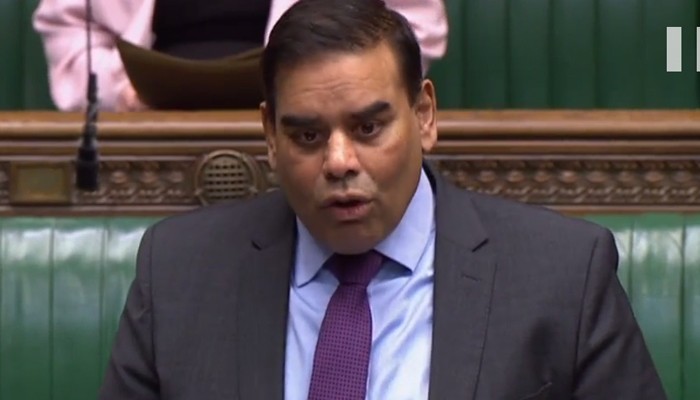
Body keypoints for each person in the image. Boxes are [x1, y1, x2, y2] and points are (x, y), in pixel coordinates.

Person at [97, 0, 668, 399]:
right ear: (269, 135)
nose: (339, 161)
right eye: (307, 135)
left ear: (425, 116)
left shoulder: (563, 274)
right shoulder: (179, 273)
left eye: (368, 128)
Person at [32, 0, 448, 112]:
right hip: (149, 123)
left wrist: (340, 90)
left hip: (317, 122)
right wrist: (121, 91)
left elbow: (416, 26)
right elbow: (68, 27)